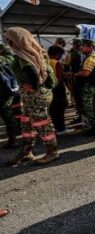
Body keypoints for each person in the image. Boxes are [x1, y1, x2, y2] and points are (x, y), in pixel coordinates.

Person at [4, 27, 59, 166]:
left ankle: (52, 152)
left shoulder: (23, 56)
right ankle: (27, 152)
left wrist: (32, 86)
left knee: (41, 123)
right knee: (27, 123)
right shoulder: (30, 53)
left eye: (9, 39)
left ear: (16, 40)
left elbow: (33, 73)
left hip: (35, 96)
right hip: (32, 96)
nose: (7, 41)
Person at [73, 39, 95, 135]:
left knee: (88, 106)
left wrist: (75, 74)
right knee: (90, 106)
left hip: (89, 86)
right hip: (91, 85)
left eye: (84, 46)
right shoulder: (92, 56)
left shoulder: (91, 58)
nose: (81, 48)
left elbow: (86, 73)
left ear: (91, 47)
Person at [48, 45, 74, 135]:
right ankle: (61, 129)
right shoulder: (57, 63)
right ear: (58, 54)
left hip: (49, 88)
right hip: (57, 89)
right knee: (60, 108)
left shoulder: (45, 61)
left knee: (53, 109)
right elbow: (59, 79)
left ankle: (57, 127)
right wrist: (66, 76)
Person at [0, 44, 21, 149]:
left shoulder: (2, 60)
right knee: (16, 111)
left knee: (9, 116)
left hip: (3, 93)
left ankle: (13, 140)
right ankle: (17, 134)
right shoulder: (13, 59)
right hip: (15, 90)